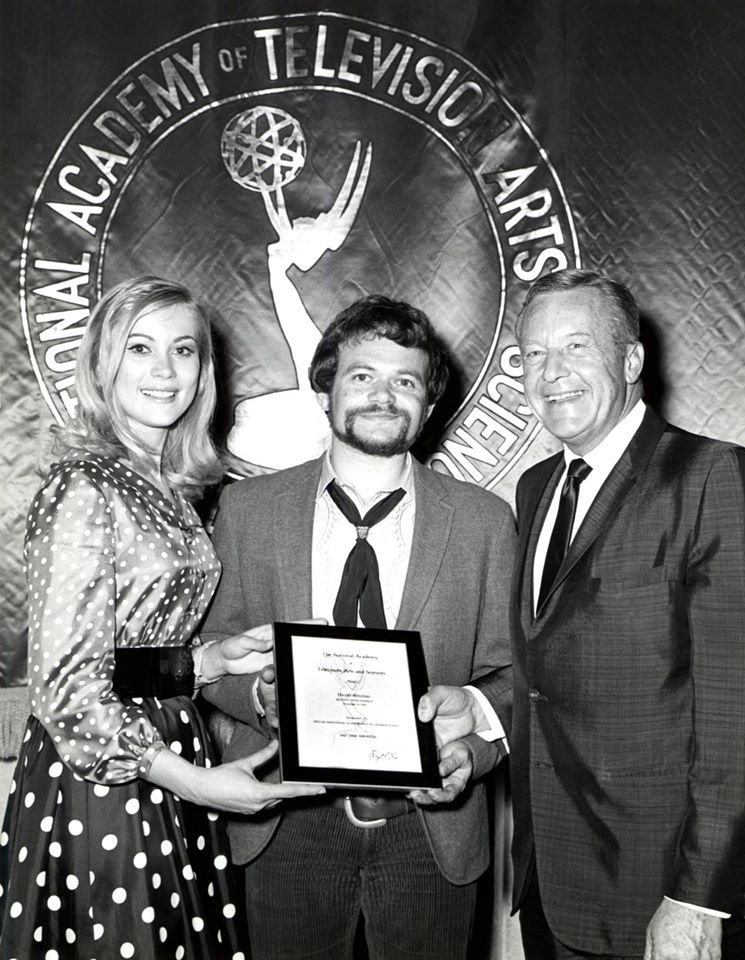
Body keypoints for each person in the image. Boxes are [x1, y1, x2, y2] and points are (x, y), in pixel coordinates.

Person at [420, 268, 745, 960]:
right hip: (551, 888)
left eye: (574, 348)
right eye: (532, 355)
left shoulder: (711, 476)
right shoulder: (534, 490)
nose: (549, 373)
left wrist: (697, 898)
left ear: (629, 359)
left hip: (661, 899)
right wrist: (481, 719)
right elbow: (553, 676)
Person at [0, 276, 324, 960]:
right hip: (103, 778)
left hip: (165, 754)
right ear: (101, 362)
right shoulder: (83, 483)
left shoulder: (166, 484)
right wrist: (194, 780)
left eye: (184, 351)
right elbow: (66, 688)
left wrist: (208, 660)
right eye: (140, 348)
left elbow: (129, 651)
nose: (165, 370)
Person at [200, 293, 515, 960]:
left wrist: (477, 749)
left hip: (430, 829)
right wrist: (258, 695)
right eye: (361, 376)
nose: (382, 395)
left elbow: (515, 675)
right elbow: (210, 655)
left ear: (428, 407)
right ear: (323, 391)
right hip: (285, 816)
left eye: (404, 381)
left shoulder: (485, 522)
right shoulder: (247, 510)